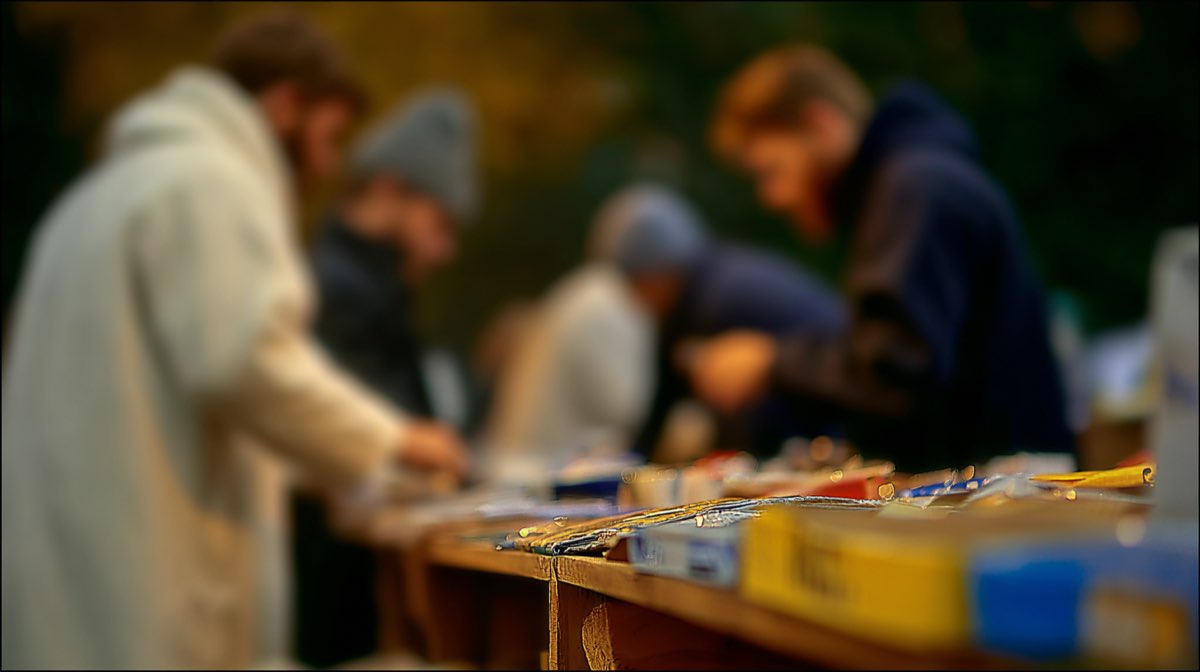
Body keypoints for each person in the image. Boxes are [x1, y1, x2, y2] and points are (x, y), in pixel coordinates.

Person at [0, 12, 468, 670]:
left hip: (73, 598)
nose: (330, 164)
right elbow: (246, 364)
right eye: (329, 135)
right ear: (283, 106)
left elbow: (182, 399)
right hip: (146, 600)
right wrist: (396, 440)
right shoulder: (212, 182)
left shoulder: (93, 198)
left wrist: (333, 465)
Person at [692, 44, 1075, 473]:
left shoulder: (913, 190)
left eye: (771, 171)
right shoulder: (902, 187)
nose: (770, 199)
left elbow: (895, 375)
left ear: (822, 126)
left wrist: (771, 362)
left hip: (1010, 507)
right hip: (995, 493)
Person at [295, 87, 479, 667]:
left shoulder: (371, 280)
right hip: (326, 575)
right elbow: (348, 433)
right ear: (389, 187)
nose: (443, 249)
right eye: (438, 222)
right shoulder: (335, 285)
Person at [480, 204, 656, 471]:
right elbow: (625, 406)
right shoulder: (609, 303)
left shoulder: (581, 292)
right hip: (545, 473)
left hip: (512, 464)